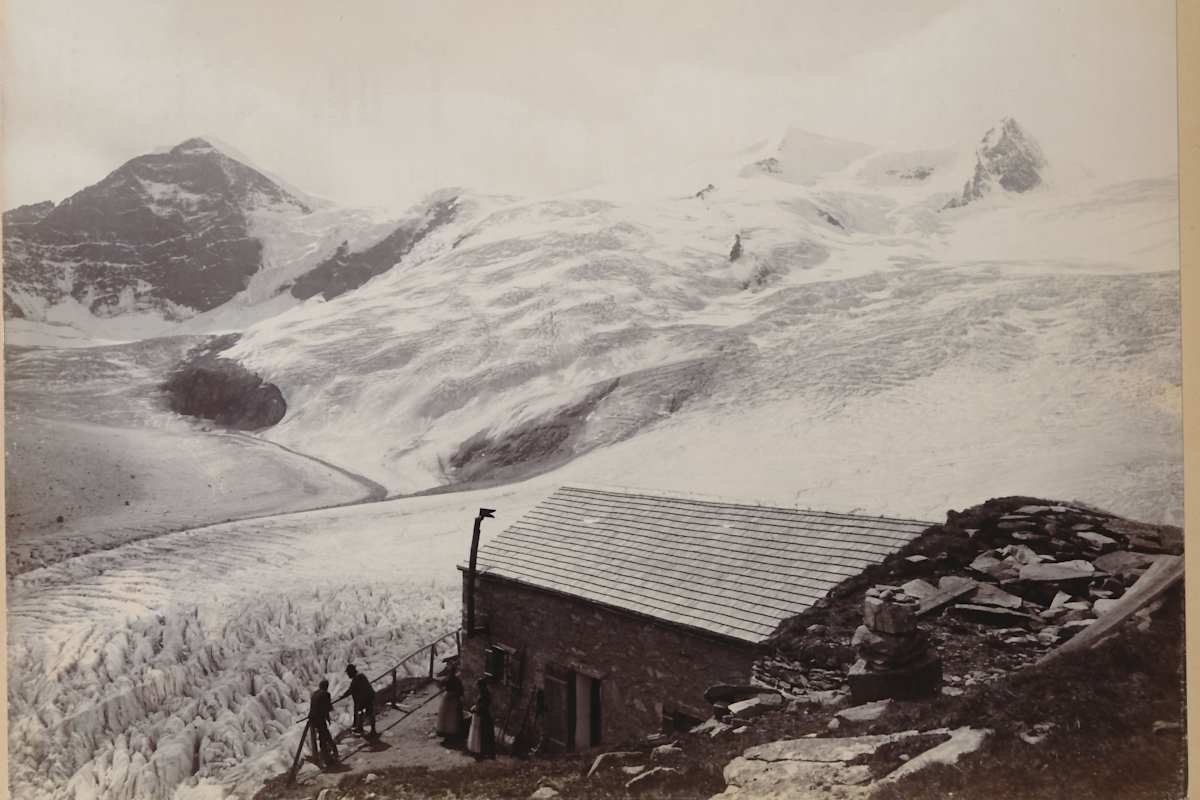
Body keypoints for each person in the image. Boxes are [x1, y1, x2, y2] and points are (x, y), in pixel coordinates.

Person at [339, 664, 377, 738]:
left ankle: (370, 730)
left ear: (351, 672)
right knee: (361, 712)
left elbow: (351, 690)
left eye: (348, 673)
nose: (347, 675)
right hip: (366, 697)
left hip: (366, 698)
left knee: (367, 713)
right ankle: (361, 728)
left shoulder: (357, 678)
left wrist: (342, 696)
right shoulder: (359, 676)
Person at [308, 679, 339, 768]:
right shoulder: (326, 694)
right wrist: (328, 719)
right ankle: (328, 758)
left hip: (312, 719)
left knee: (319, 738)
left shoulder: (314, 694)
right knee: (325, 736)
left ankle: (320, 757)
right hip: (319, 719)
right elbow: (327, 707)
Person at [435, 661, 465, 744]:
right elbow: (461, 691)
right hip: (454, 699)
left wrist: (439, 685)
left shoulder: (448, 679)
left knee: (447, 716)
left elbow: (440, 684)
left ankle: (448, 735)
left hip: (449, 698)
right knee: (452, 717)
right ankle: (452, 735)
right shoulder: (457, 680)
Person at [466, 677, 496, 759]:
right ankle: (479, 750)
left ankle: (483, 751)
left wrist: (476, 709)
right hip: (479, 714)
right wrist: (475, 707)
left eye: (479, 686)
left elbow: (484, 706)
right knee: (479, 733)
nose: (478, 688)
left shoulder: (485, 694)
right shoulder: (482, 693)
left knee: (483, 733)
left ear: (482, 686)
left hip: (483, 716)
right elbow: (479, 704)